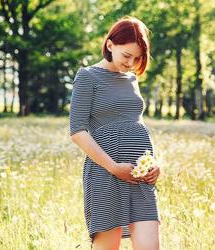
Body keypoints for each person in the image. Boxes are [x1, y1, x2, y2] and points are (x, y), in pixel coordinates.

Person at [69, 16, 161, 250]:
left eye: (138, 57)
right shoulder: (87, 77)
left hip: (140, 176)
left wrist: (155, 163)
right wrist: (113, 167)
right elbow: (77, 131)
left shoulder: (131, 79)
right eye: (126, 56)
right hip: (106, 174)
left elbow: (137, 123)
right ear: (110, 45)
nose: (131, 63)